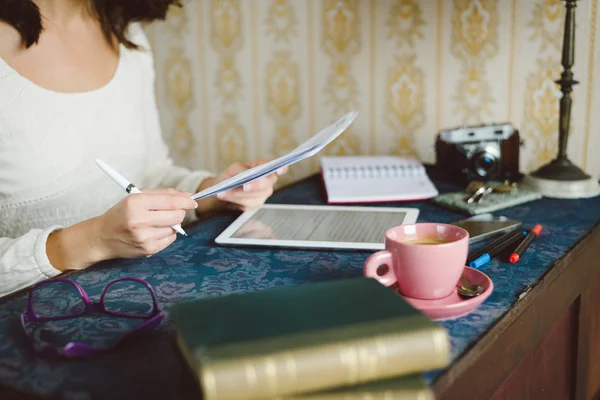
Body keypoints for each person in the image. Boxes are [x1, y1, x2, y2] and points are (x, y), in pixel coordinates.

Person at [0, 0, 286, 297]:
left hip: (133, 293)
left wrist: (211, 193)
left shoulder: (126, 34)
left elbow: (150, 173)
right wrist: (94, 240)